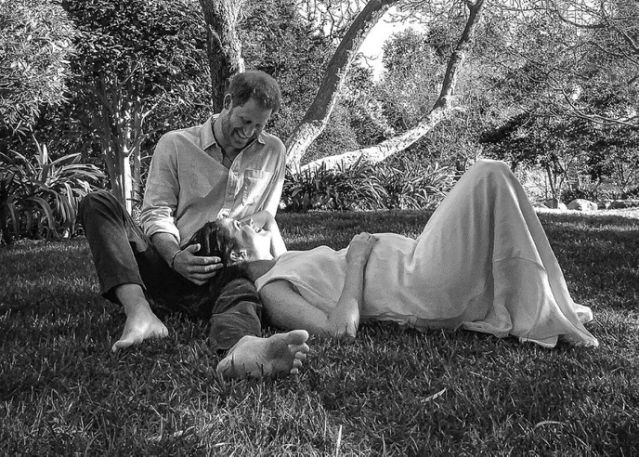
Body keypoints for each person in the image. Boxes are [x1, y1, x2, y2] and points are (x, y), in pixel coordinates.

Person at [194, 159, 599, 361]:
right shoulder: (272, 290)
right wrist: (355, 261)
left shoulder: (284, 259)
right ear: (239, 254)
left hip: (418, 258)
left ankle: (545, 299)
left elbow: (267, 221)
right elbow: (338, 331)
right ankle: (546, 306)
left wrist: (255, 226)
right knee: (488, 174)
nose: (248, 220)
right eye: (238, 225)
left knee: (491, 184)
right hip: (422, 282)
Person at [79, 70, 309, 379]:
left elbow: (264, 220)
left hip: (228, 271)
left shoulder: (273, 151)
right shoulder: (175, 143)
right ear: (227, 103)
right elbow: (156, 213)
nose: (250, 132)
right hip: (170, 264)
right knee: (98, 202)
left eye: (259, 126)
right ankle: (140, 312)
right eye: (245, 120)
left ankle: (242, 347)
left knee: (240, 289)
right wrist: (175, 256)